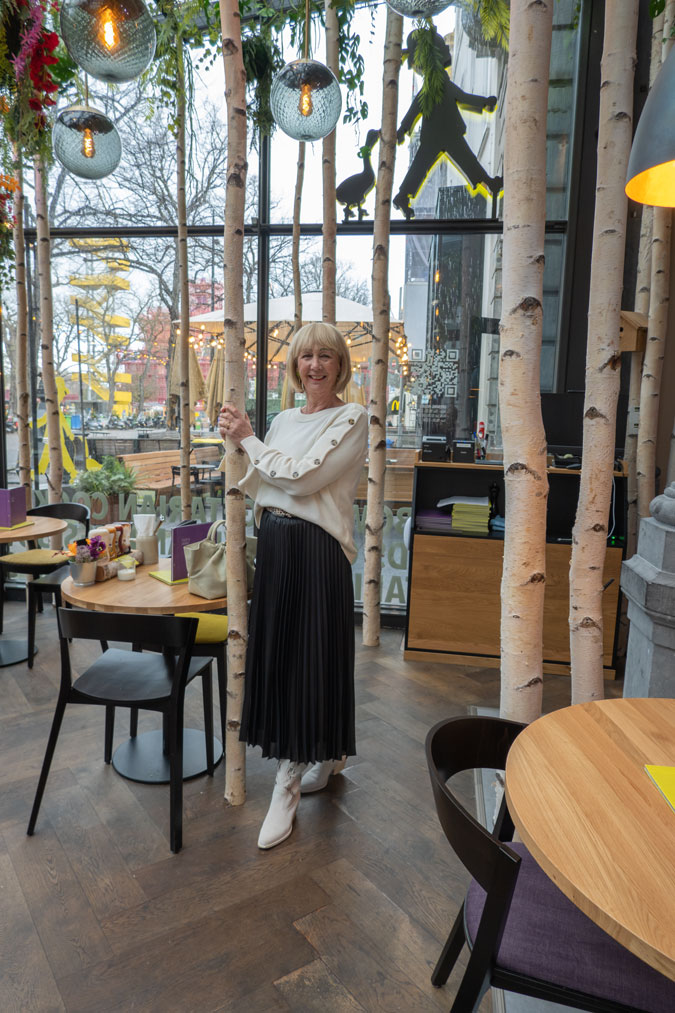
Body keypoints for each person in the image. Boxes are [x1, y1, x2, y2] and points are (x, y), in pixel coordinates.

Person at [218, 322, 368, 849]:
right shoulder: (281, 420)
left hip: (317, 552)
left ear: (340, 365)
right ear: (295, 366)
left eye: (327, 356)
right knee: (284, 658)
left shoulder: (353, 418)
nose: (315, 366)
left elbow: (302, 479)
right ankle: (321, 758)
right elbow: (264, 479)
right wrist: (242, 440)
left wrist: (252, 442)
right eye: (306, 357)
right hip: (277, 549)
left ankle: (287, 784)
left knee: (312, 661)